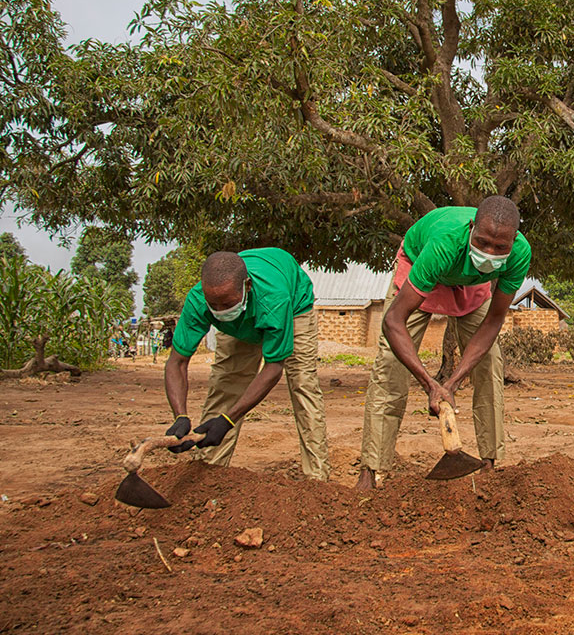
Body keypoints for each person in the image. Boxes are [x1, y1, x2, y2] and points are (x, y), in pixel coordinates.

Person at [356, 196, 531, 490]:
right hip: (421, 264)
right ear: (472, 227)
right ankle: (371, 471)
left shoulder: (519, 254)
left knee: (489, 365)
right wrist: (430, 384)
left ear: (514, 240)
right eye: (482, 242)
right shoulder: (444, 243)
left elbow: (493, 322)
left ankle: (489, 464)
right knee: (390, 368)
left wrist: (452, 382)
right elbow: (393, 321)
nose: (489, 252)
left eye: (500, 248)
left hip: (472, 282)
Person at [161, 248, 331, 480]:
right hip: (242, 322)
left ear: (247, 286)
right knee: (226, 385)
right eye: (214, 304)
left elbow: (273, 368)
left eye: (227, 303)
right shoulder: (199, 299)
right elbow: (177, 362)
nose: (220, 311)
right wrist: (180, 416)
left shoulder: (275, 299)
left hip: (294, 308)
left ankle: (317, 478)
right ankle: (208, 473)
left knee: (303, 385)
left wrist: (228, 420)